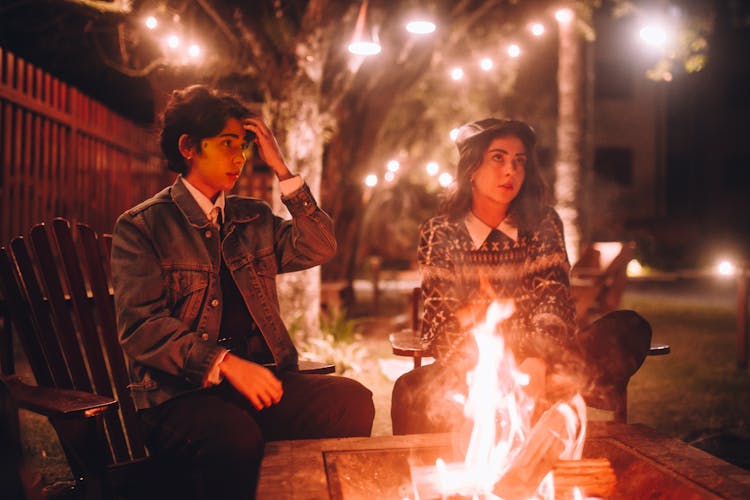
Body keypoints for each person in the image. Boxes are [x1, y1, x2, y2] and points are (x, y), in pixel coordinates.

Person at [111, 85, 374, 499]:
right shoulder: (143, 227)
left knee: (352, 401)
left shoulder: (252, 218)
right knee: (235, 436)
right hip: (179, 396)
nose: (240, 157)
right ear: (188, 147)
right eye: (228, 144)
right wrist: (225, 363)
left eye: (245, 146)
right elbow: (142, 327)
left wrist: (284, 172)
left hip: (259, 383)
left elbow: (320, 246)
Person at [390, 118, 651, 435]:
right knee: (409, 389)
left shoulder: (543, 223)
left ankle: (548, 393)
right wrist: (493, 367)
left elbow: (554, 302)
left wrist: (536, 362)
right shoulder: (439, 231)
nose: (510, 170)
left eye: (519, 161)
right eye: (498, 158)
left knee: (628, 329)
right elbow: (441, 320)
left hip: (543, 363)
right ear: (471, 168)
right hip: (471, 368)